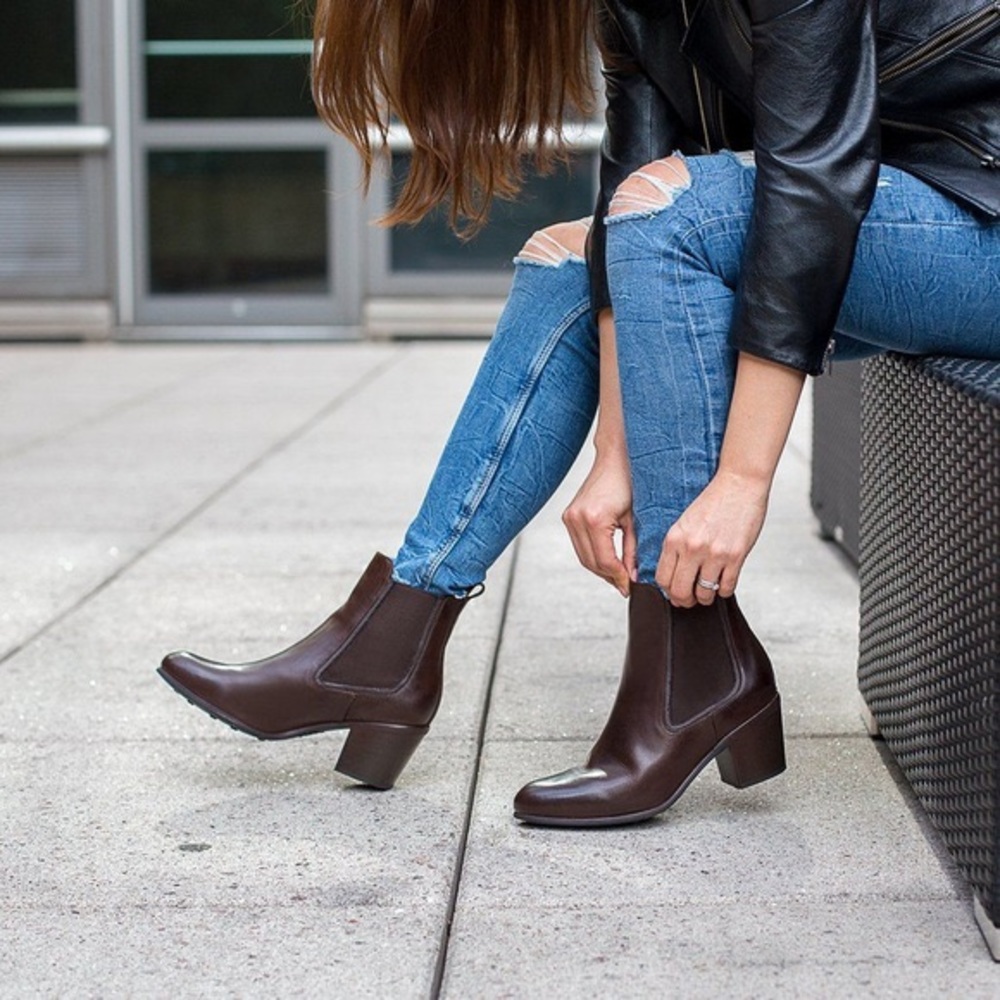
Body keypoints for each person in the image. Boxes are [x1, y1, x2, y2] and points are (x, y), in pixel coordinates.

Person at [158, 0, 1000, 827]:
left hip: (972, 220)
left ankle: (691, 662)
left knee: (680, 211)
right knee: (568, 258)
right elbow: (625, 196)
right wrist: (615, 453)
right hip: (887, 222)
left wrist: (743, 480)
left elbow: (811, 180)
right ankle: (389, 645)